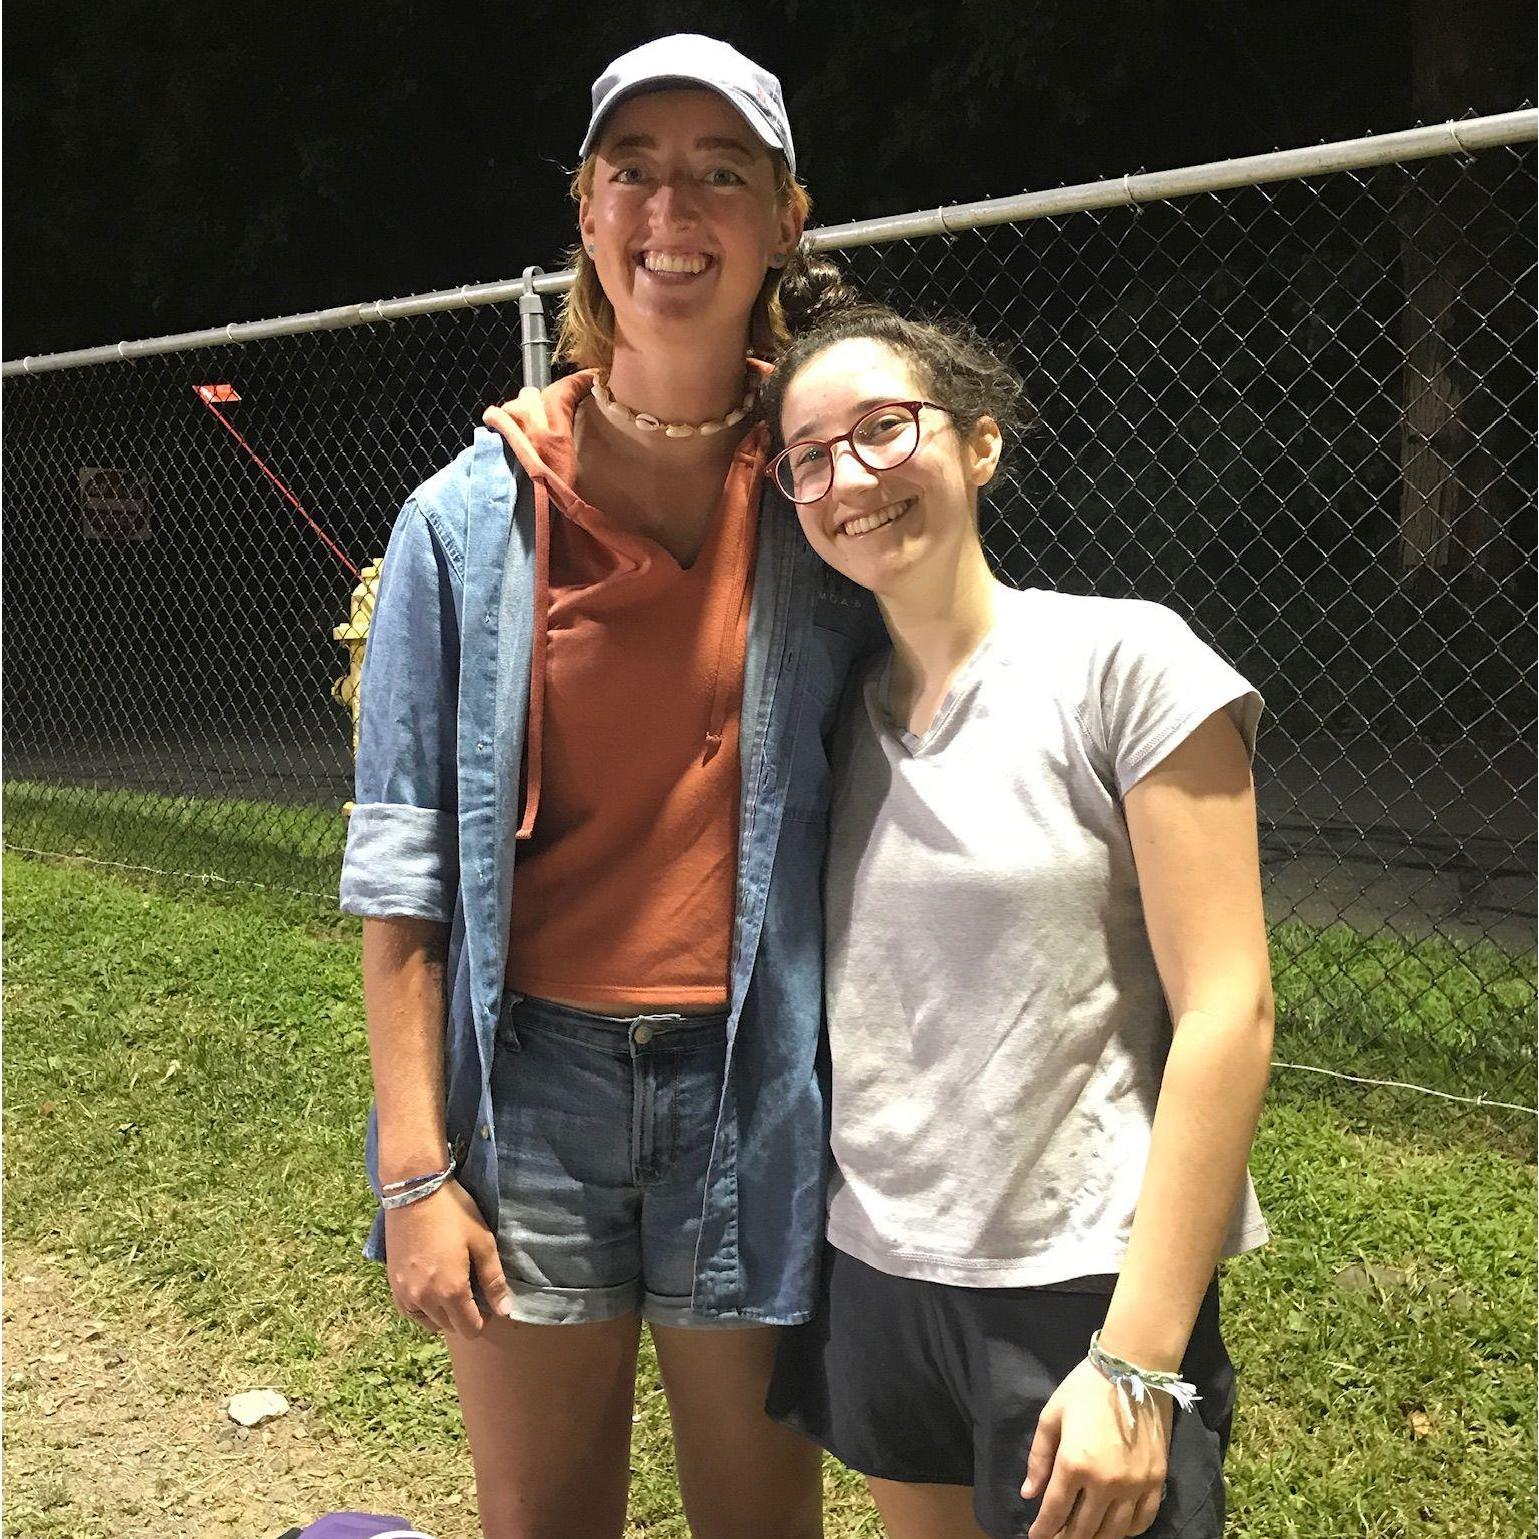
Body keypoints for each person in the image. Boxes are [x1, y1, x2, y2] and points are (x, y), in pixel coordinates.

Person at [339, 36, 879, 1539]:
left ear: (783, 217)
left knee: (758, 1518)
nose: (670, 206)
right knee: (544, 1514)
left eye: (720, 172)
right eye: (631, 169)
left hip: (754, 1084)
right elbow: (402, 872)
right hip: (534, 1096)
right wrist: (413, 1168)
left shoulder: (836, 492)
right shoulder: (466, 519)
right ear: (584, 211)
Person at [759, 308, 1274, 1539]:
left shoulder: (1125, 663)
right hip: (880, 1272)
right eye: (811, 456)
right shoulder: (827, 717)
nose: (851, 479)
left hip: (1076, 1288)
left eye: (885, 429)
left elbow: (1229, 1011)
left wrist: (1137, 1360)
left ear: (979, 444)